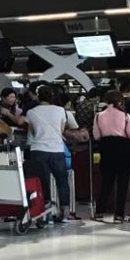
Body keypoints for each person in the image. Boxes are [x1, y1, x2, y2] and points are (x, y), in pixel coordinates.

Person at [26, 85, 78, 222]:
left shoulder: (31, 112)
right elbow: (61, 130)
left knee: (42, 183)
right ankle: (65, 213)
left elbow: (32, 132)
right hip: (56, 150)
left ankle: (45, 213)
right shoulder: (60, 110)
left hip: (38, 150)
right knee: (62, 181)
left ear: (38, 96)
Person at [92, 91, 130, 223]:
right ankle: (119, 215)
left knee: (106, 183)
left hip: (107, 150)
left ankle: (99, 212)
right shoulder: (125, 116)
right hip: (124, 150)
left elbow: (96, 136)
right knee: (123, 184)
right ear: (120, 101)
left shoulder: (98, 116)